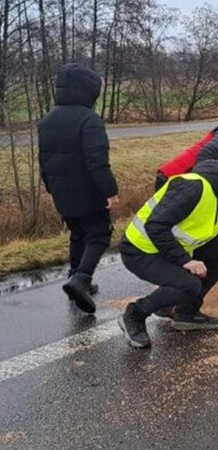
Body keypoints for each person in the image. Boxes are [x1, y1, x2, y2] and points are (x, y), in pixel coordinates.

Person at [118, 158, 218, 348]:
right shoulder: (193, 188)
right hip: (140, 249)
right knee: (188, 285)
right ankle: (135, 314)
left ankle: (186, 312)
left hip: (168, 248)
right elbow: (155, 225)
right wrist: (185, 260)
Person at [38, 63, 119, 314]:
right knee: (99, 234)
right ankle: (81, 279)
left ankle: (75, 276)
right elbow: (97, 161)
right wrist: (110, 191)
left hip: (60, 190)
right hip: (88, 190)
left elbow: (43, 159)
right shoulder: (89, 120)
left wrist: (51, 187)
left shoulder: (47, 120)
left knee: (78, 234)